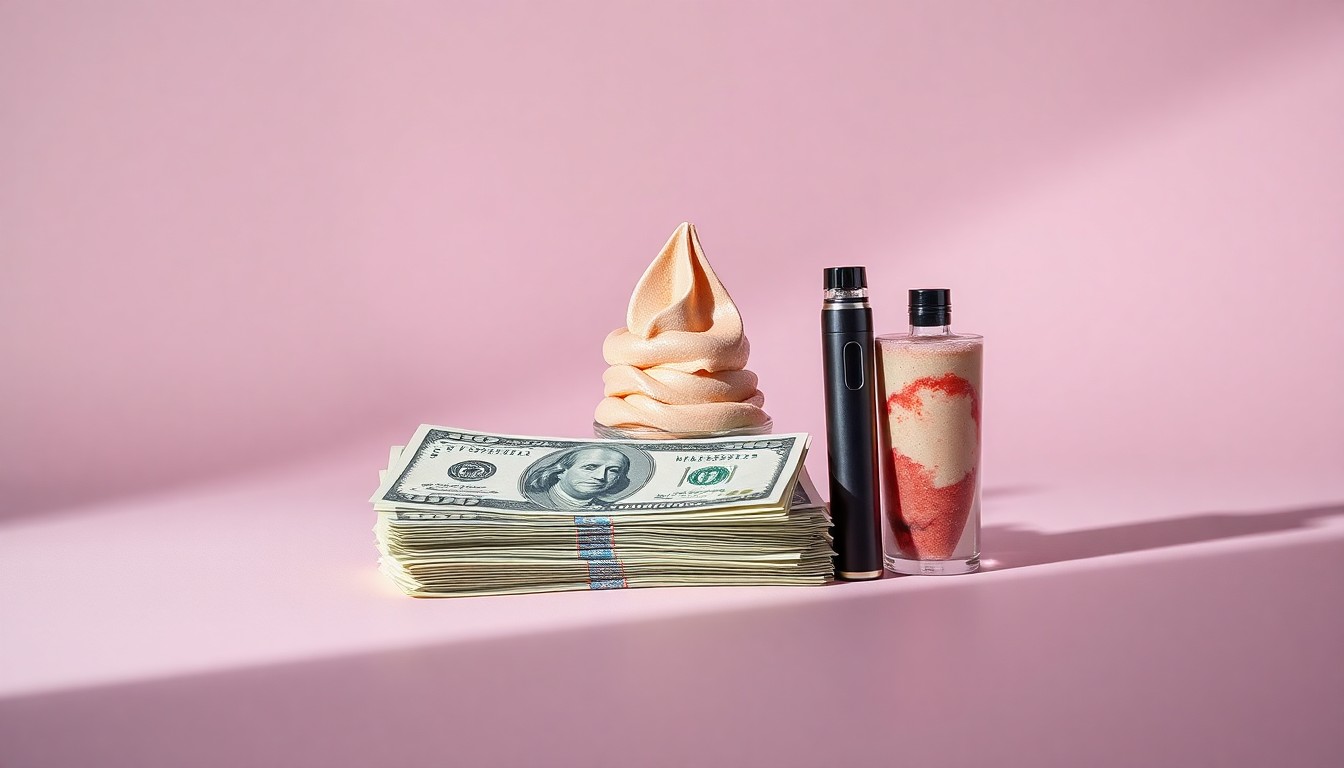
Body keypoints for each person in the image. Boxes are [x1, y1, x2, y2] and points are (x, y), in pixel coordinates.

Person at [524, 446, 632, 510]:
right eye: (589, 467)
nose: (600, 477)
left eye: (613, 470)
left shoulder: (609, 508)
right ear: (560, 471)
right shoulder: (534, 501)